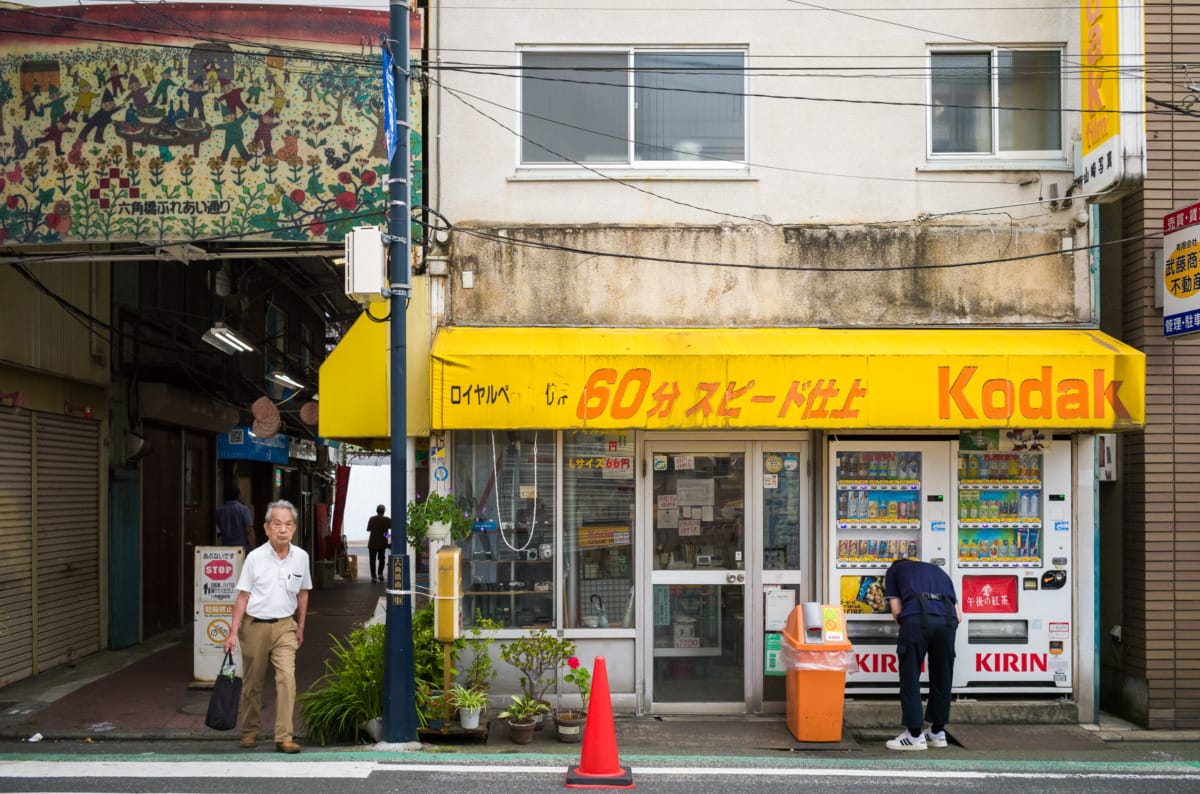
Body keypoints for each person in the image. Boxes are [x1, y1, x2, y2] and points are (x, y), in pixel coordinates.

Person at [223, 500, 312, 754]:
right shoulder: (255, 558)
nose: (282, 529)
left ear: (294, 528)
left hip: (285, 626)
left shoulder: (301, 558)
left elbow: (303, 594)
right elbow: (242, 597)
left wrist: (301, 626)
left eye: (288, 525)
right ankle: (250, 731)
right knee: (253, 681)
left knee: (287, 679)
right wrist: (232, 632)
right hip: (255, 627)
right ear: (266, 528)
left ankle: (284, 736)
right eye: (277, 524)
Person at [883, 558, 962, 751]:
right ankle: (937, 732)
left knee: (910, 674)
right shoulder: (939, 571)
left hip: (917, 616)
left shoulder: (894, 570)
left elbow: (896, 610)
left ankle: (914, 736)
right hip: (948, 620)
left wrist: (909, 628)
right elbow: (959, 615)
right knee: (942, 675)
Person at [215, 485, 254, 552]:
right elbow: (249, 530)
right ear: (238, 495)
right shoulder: (244, 509)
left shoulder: (219, 511)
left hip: (226, 547)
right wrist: (253, 546)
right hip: (242, 548)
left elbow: (217, 529)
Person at [366, 504, 391, 583]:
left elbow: (368, 529)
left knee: (372, 560)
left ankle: (374, 577)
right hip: (382, 543)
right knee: (382, 559)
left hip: (373, 543)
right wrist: (387, 537)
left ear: (377, 511)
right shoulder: (387, 519)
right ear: (384, 511)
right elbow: (388, 530)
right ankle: (380, 574)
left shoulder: (372, 519)